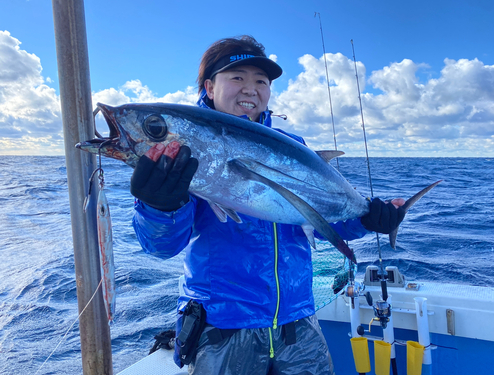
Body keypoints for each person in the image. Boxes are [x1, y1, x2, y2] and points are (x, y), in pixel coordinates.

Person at [131, 35, 405, 375]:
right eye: (237, 77)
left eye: (261, 81)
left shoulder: (295, 145)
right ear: (209, 87)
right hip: (224, 328)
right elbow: (161, 246)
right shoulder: (186, 148)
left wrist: (368, 219)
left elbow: (318, 219)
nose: (251, 89)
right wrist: (159, 206)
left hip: (298, 323)